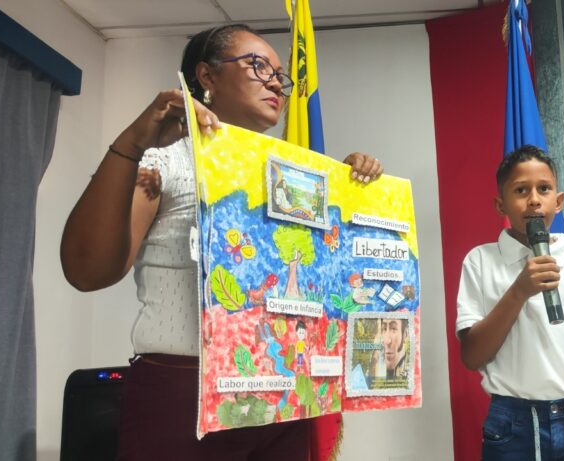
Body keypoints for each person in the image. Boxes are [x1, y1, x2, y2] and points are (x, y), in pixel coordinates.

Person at [59, 24, 383, 460]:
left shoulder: (292, 181)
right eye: (258, 65)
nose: (276, 83)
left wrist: (344, 193)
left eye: (280, 76)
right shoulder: (164, 161)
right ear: (207, 76)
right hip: (184, 395)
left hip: (283, 394)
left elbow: (323, 281)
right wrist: (132, 144)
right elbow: (87, 271)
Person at [456, 145, 564, 461]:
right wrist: (519, 290)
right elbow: (472, 355)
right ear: (500, 204)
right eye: (521, 190)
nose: (534, 199)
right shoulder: (480, 261)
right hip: (512, 421)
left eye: (544, 189)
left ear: (558, 201)